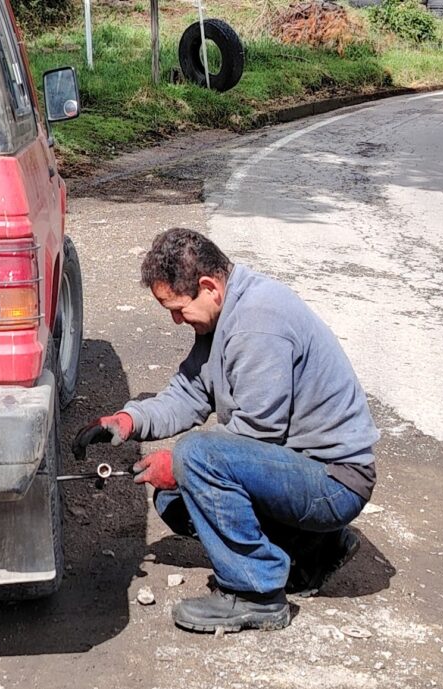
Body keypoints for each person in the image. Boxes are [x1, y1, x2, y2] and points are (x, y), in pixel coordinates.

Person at [83, 228, 379, 633]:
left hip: (334, 482)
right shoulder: (224, 315)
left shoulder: (257, 323)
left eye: (177, 307)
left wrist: (181, 464)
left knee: (195, 457)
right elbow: (188, 393)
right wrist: (129, 421)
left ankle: (254, 594)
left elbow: (256, 434)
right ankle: (314, 549)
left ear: (209, 287)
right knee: (175, 501)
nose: (174, 319)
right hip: (304, 473)